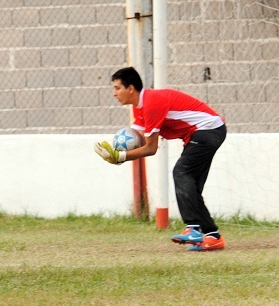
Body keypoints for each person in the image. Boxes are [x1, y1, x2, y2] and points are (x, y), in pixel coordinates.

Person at [94, 66, 227, 251]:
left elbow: (150, 148)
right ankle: (213, 237)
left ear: (130, 88)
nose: (114, 93)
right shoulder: (140, 107)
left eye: (117, 88)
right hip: (204, 132)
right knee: (191, 186)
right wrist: (115, 152)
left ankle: (193, 229)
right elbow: (137, 139)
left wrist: (120, 157)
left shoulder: (151, 103)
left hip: (208, 130)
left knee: (181, 173)